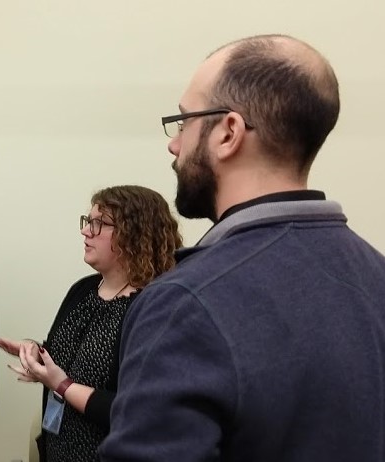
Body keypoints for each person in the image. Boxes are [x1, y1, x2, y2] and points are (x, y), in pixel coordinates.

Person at [100, 35, 385, 462]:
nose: (174, 144)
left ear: (228, 133)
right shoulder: (377, 276)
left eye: (183, 122)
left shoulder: (184, 304)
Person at [0, 185, 181, 462]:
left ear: (134, 234)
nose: (86, 231)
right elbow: (71, 359)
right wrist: (36, 354)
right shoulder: (83, 290)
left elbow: (138, 409)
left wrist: (62, 385)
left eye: (99, 224)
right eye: (88, 221)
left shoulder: (155, 306)